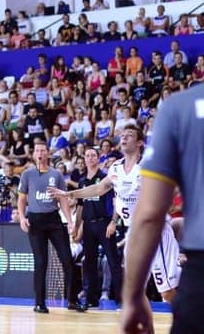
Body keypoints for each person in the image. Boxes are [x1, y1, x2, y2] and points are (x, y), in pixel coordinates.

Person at [49, 124, 181, 304]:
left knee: (166, 292)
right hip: (134, 234)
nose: (124, 138)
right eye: (123, 135)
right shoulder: (116, 168)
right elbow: (98, 188)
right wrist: (68, 194)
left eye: (130, 135)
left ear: (140, 142)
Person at [120, 84, 204, 333]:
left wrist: (132, 296)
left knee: (171, 293)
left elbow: (150, 214)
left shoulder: (179, 107)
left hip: (198, 262)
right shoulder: (115, 169)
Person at [17, 141, 82, 313]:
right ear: (33, 154)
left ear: (48, 153)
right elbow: (22, 199)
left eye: (43, 150)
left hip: (53, 219)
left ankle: (73, 300)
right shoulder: (27, 175)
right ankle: (39, 303)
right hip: (35, 221)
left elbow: (62, 199)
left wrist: (70, 222)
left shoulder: (56, 174)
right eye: (37, 150)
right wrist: (22, 217)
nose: (40, 153)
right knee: (41, 262)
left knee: (67, 259)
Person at [73, 147, 122, 307]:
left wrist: (113, 222)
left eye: (93, 155)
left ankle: (121, 299)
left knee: (113, 261)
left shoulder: (105, 178)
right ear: (84, 160)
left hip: (104, 223)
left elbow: (117, 202)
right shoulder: (82, 181)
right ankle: (91, 298)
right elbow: (80, 207)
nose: (90, 158)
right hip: (88, 225)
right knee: (89, 263)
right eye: (87, 155)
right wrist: (76, 226)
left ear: (98, 159)